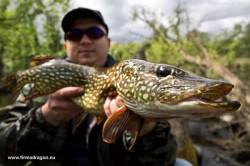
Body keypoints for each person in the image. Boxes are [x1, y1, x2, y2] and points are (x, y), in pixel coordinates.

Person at [0, 7, 179, 166]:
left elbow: (164, 161)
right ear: (65, 45)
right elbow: (4, 150)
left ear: (108, 43)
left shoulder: (132, 80)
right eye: (74, 35)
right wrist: (44, 117)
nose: (85, 40)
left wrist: (145, 130)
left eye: (94, 32)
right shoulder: (39, 83)